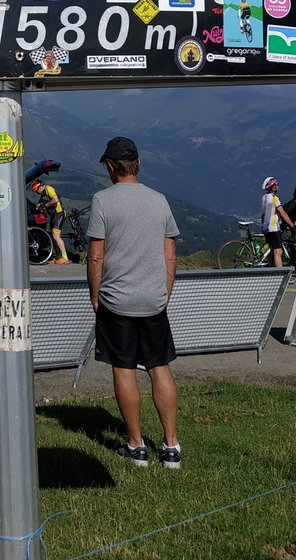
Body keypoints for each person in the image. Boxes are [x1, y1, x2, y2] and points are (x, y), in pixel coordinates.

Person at [87, 136, 182, 470]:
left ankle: (136, 445)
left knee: (124, 369)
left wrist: (95, 295)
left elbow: (96, 256)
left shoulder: (102, 201)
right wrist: (164, 290)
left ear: (112, 167)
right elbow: (170, 254)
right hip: (154, 300)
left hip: (117, 301)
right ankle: (171, 446)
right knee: (160, 368)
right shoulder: (160, 200)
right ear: (138, 164)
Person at [30, 175, 70, 263]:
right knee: (53, 236)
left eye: (37, 191)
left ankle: (65, 257)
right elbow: (39, 204)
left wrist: (46, 205)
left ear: (40, 186)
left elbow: (55, 200)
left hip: (59, 213)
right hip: (55, 215)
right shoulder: (44, 193)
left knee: (56, 236)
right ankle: (59, 256)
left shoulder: (48, 189)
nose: (37, 193)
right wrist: (38, 205)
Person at [261, 177, 295, 267]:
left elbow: (269, 212)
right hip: (274, 228)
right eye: (276, 184)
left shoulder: (264, 197)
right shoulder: (274, 198)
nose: (278, 186)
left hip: (266, 227)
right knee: (278, 252)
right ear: (272, 187)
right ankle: (280, 274)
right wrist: (292, 225)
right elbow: (282, 213)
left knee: (271, 250)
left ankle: (270, 269)